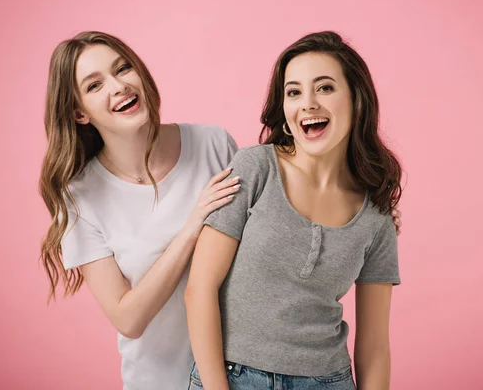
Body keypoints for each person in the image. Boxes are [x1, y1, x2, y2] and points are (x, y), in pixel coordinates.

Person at [38, 31, 403, 389]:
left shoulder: (212, 144)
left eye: (122, 69)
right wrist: (194, 223)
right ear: (78, 112)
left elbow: (275, 232)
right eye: (94, 85)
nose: (118, 87)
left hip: (259, 364)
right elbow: (129, 318)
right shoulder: (79, 197)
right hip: (168, 376)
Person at [185, 31, 402, 390]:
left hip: (328, 381)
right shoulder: (255, 168)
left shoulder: (377, 215)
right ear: (285, 112)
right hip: (233, 377)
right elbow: (200, 289)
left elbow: (375, 346)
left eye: (325, 88)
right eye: (294, 92)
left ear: (356, 100)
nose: (308, 103)